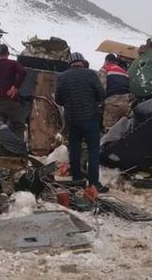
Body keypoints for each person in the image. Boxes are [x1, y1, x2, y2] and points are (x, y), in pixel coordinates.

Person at [55, 52, 107, 192]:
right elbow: (102, 95)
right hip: (90, 118)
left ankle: (77, 180)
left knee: (75, 150)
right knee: (93, 151)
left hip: (72, 120)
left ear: (70, 63)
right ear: (82, 62)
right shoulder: (90, 74)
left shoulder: (62, 77)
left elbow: (58, 100)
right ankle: (93, 183)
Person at [0, 45, 28, 140]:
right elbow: (23, 71)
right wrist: (15, 87)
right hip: (11, 100)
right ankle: (18, 149)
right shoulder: (13, 64)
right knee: (18, 125)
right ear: (8, 54)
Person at [98, 54, 131, 131]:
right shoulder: (124, 72)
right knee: (122, 128)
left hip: (112, 103)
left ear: (106, 61)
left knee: (110, 129)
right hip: (125, 103)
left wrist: (100, 103)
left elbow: (102, 88)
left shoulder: (105, 69)